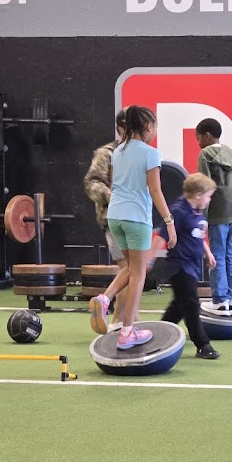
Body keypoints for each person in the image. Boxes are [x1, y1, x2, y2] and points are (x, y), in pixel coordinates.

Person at [88, 105, 176, 349]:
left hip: (114, 217)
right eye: (155, 126)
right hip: (136, 218)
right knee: (139, 272)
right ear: (148, 126)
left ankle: (104, 298)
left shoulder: (118, 152)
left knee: (131, 267)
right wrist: (169, 222)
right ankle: (127, 332)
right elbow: (155, 190)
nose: (156, 131)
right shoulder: (151, 153)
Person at [154, 172, 221, 360]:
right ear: (198, 195)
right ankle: (203, 345)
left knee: (179, 305)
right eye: (208, 196)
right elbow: (162, 236)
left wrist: (208, 253)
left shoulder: (197, 211)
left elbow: (198, 234)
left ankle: (160, 336)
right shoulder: (178, 211)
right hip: (179, 266)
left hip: (192, 265)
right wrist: (149, 260)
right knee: (191, 303)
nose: (209, 200)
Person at [83, 109, 129, 329]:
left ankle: (127, 318)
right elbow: (91, 183)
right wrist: (110, 195)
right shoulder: (106, 153)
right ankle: (119, 320)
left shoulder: (140, 153)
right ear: (121, 128)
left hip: (135, 217)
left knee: (132, 269)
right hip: (114, 217)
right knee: (130, 268)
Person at [195, 117, 232, 316]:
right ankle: (231, 299)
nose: (198, 142)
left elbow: (203, 186)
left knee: (217, 255)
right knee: (231, 255)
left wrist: (201, 217)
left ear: (207, 136)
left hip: (217, 211)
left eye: (199, 138)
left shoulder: (205, 154)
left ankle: (220, 300)